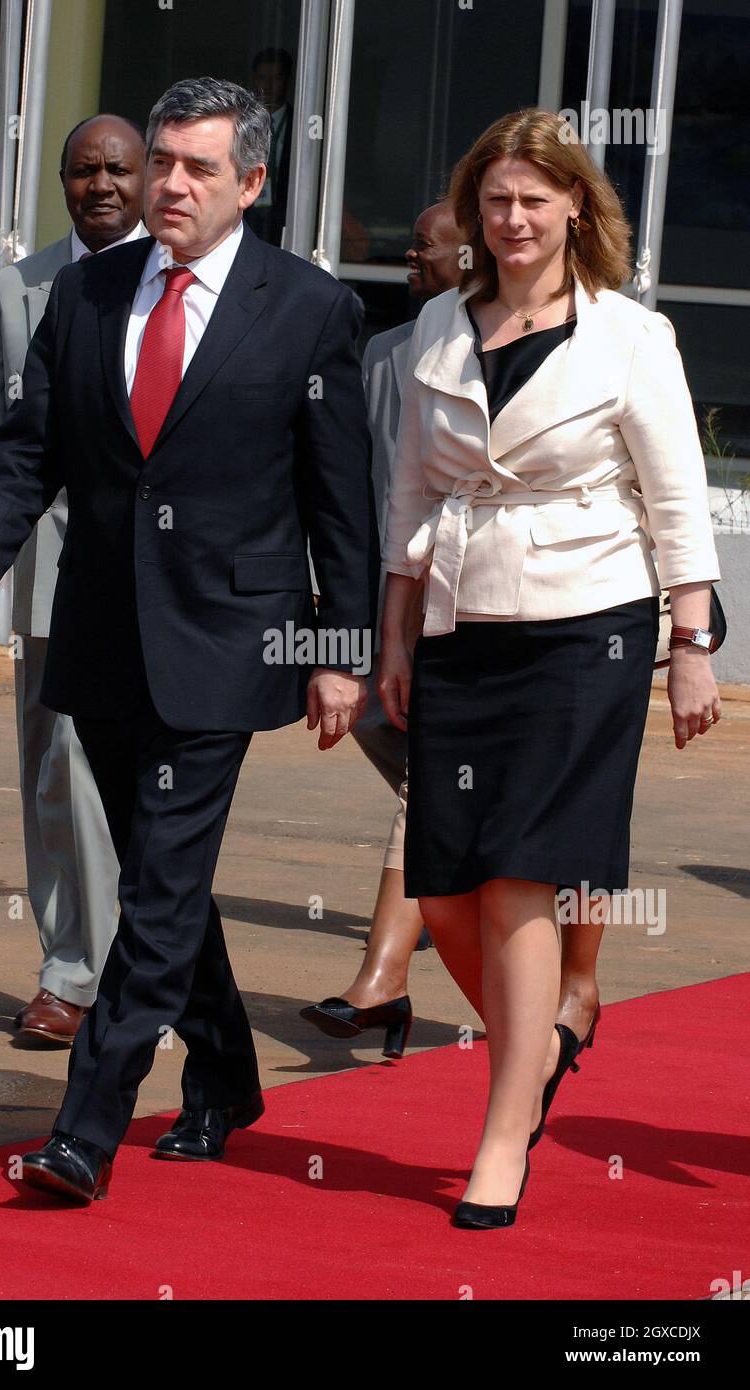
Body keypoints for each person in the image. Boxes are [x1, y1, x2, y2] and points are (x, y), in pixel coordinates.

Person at [0, 76, 378, 1205]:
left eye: (197, 168)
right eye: (164, 162)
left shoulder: (310, 308)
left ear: (253, 184)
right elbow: (29, 449)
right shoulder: (88, 294)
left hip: (232, 641)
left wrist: (344, 645)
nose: (169, 184)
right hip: (100, 631)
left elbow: (342, 503)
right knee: (158, 877)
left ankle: (85, 1127)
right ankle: (225, 1076)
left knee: (161, 890)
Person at [378, 108, 721, 1229]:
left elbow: (676, 498)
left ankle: (500, 1137)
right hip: (461, 621)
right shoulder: (436, 324)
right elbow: (414, 495)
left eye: (535, 198)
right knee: (442, 883)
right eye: (495, 200)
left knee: (522, 872)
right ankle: (548, 1046)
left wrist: (691, 645)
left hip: (591, 625)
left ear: (578, 205)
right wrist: (392, 635)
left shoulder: (633, 336)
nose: (513, 218)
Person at [0, 115, 148, 1045]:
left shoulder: (183, 278)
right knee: (57, 774)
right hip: (55, 575)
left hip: (168, 578)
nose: (99, 184)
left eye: (116, 168)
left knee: (151, 785)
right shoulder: (23, 287)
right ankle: (71, 972)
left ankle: (140, 965)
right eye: (81, 171)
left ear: (148, 176)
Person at [301, 200, 462, 1057]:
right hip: (395, 611)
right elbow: (354, 492)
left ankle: (382, 981)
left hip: (498, 615)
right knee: (436, 777)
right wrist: (347, 624)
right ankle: (398, 970)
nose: (409, 252)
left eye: (425, 244)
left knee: (438, 782)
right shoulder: (380, 355)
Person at [245, 46, 294, 246]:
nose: (269, 86)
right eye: (262, 78)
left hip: (287, 224)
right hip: (246, 220)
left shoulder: (301, 125)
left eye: (277, 79)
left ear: (287, 81)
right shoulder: (241, 125)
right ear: (254, 80)